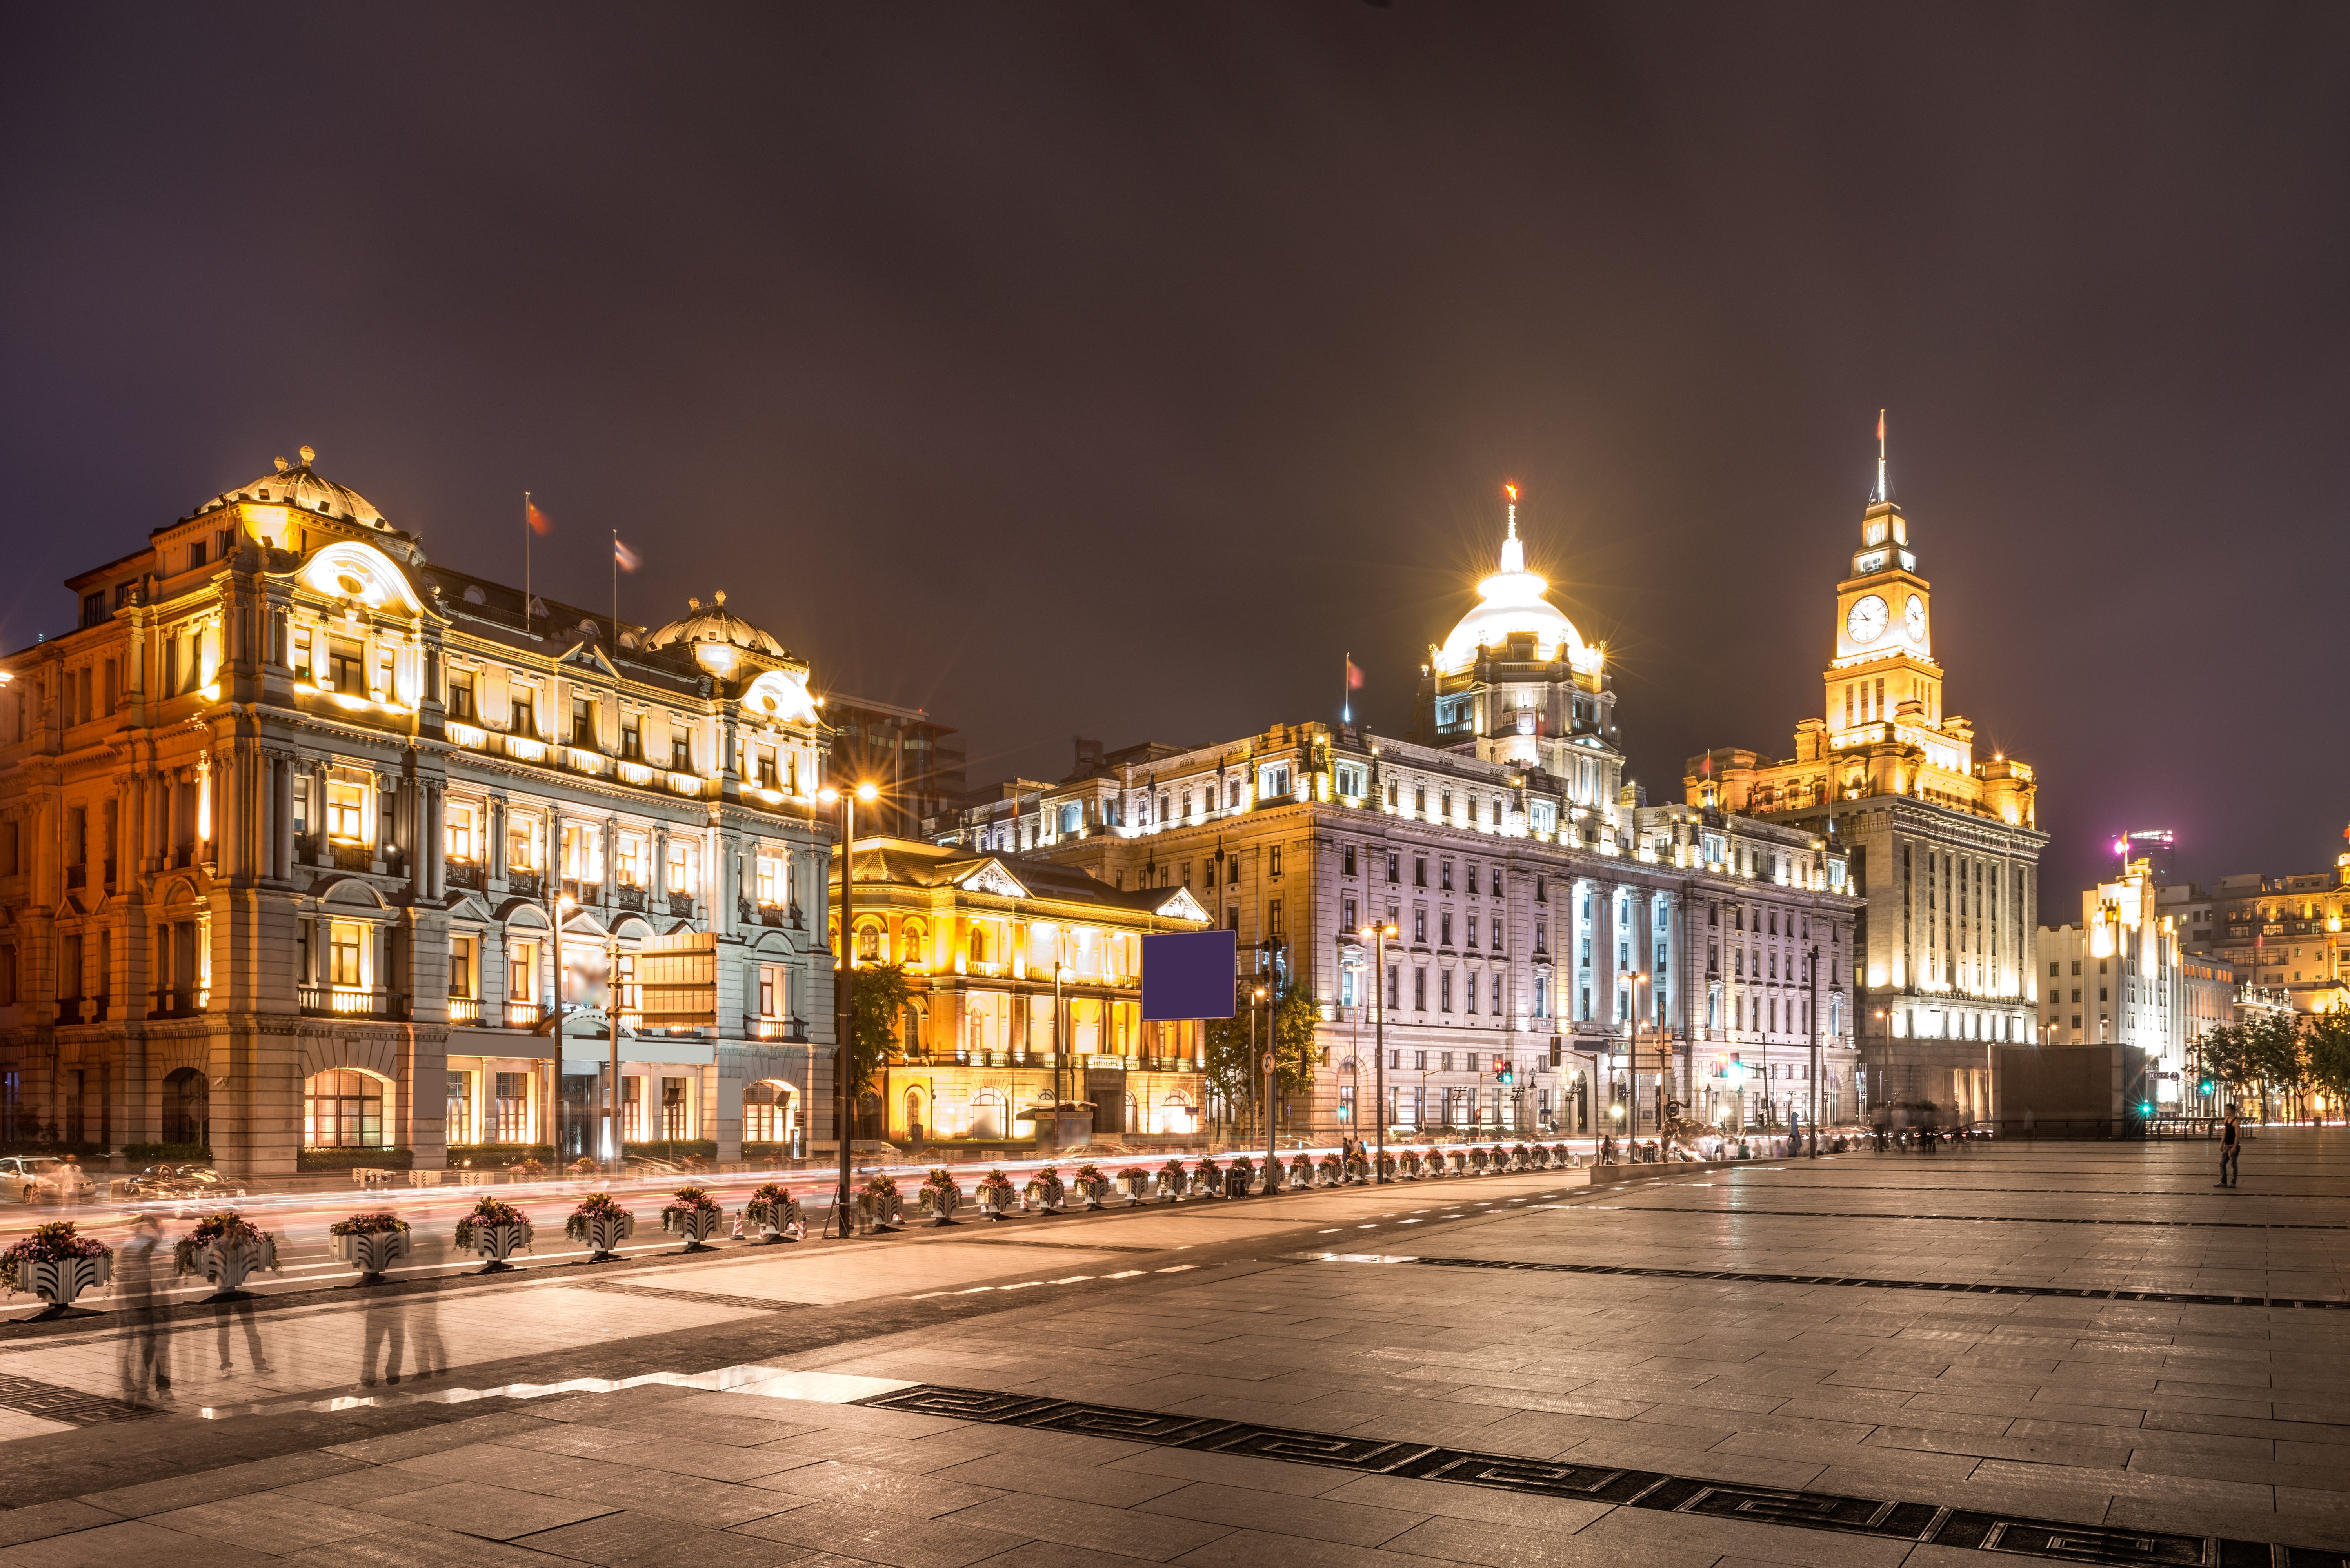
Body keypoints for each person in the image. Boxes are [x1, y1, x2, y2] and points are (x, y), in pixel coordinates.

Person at [116, 1214, 172, 1401]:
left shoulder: (146, 1245)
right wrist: (127, 1304)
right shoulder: (129, 1249)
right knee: (133, 1345)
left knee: (150, 1345)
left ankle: (152, 1385)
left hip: (150, 1302)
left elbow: (159, 1244)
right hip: (135, 1303)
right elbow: (124, 1279)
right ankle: (131, 1385)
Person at [2218, 1111, 2240, 1188]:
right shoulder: (2226, 1120)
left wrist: (2235, 1146)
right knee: (2222, 1164)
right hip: (2226, 1147)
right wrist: (2222, 1144)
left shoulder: (2236, 1121)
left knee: (2233, 1165)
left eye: (2228, 1110)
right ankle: (2223, 1182)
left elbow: (2237, 1135)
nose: (2226, 1111)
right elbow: (2225, 1133)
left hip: (2233, 1147)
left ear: (2232, 1110)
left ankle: (2233, 1183)